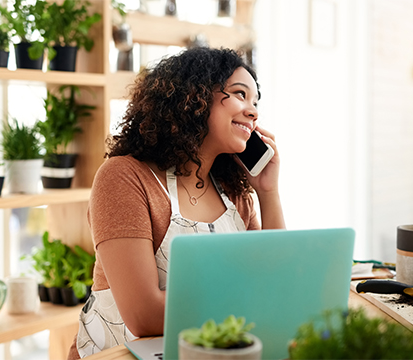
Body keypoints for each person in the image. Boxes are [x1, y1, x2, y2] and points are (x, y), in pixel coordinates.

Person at [68, 47, 285, 359]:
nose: (253, 112)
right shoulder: (124, 178)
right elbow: (144, 317)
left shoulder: (236, 193)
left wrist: (268, 192)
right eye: (240, 94)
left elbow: (277, 282)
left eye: (255, 102)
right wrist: (252, 298)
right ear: (194, 97)